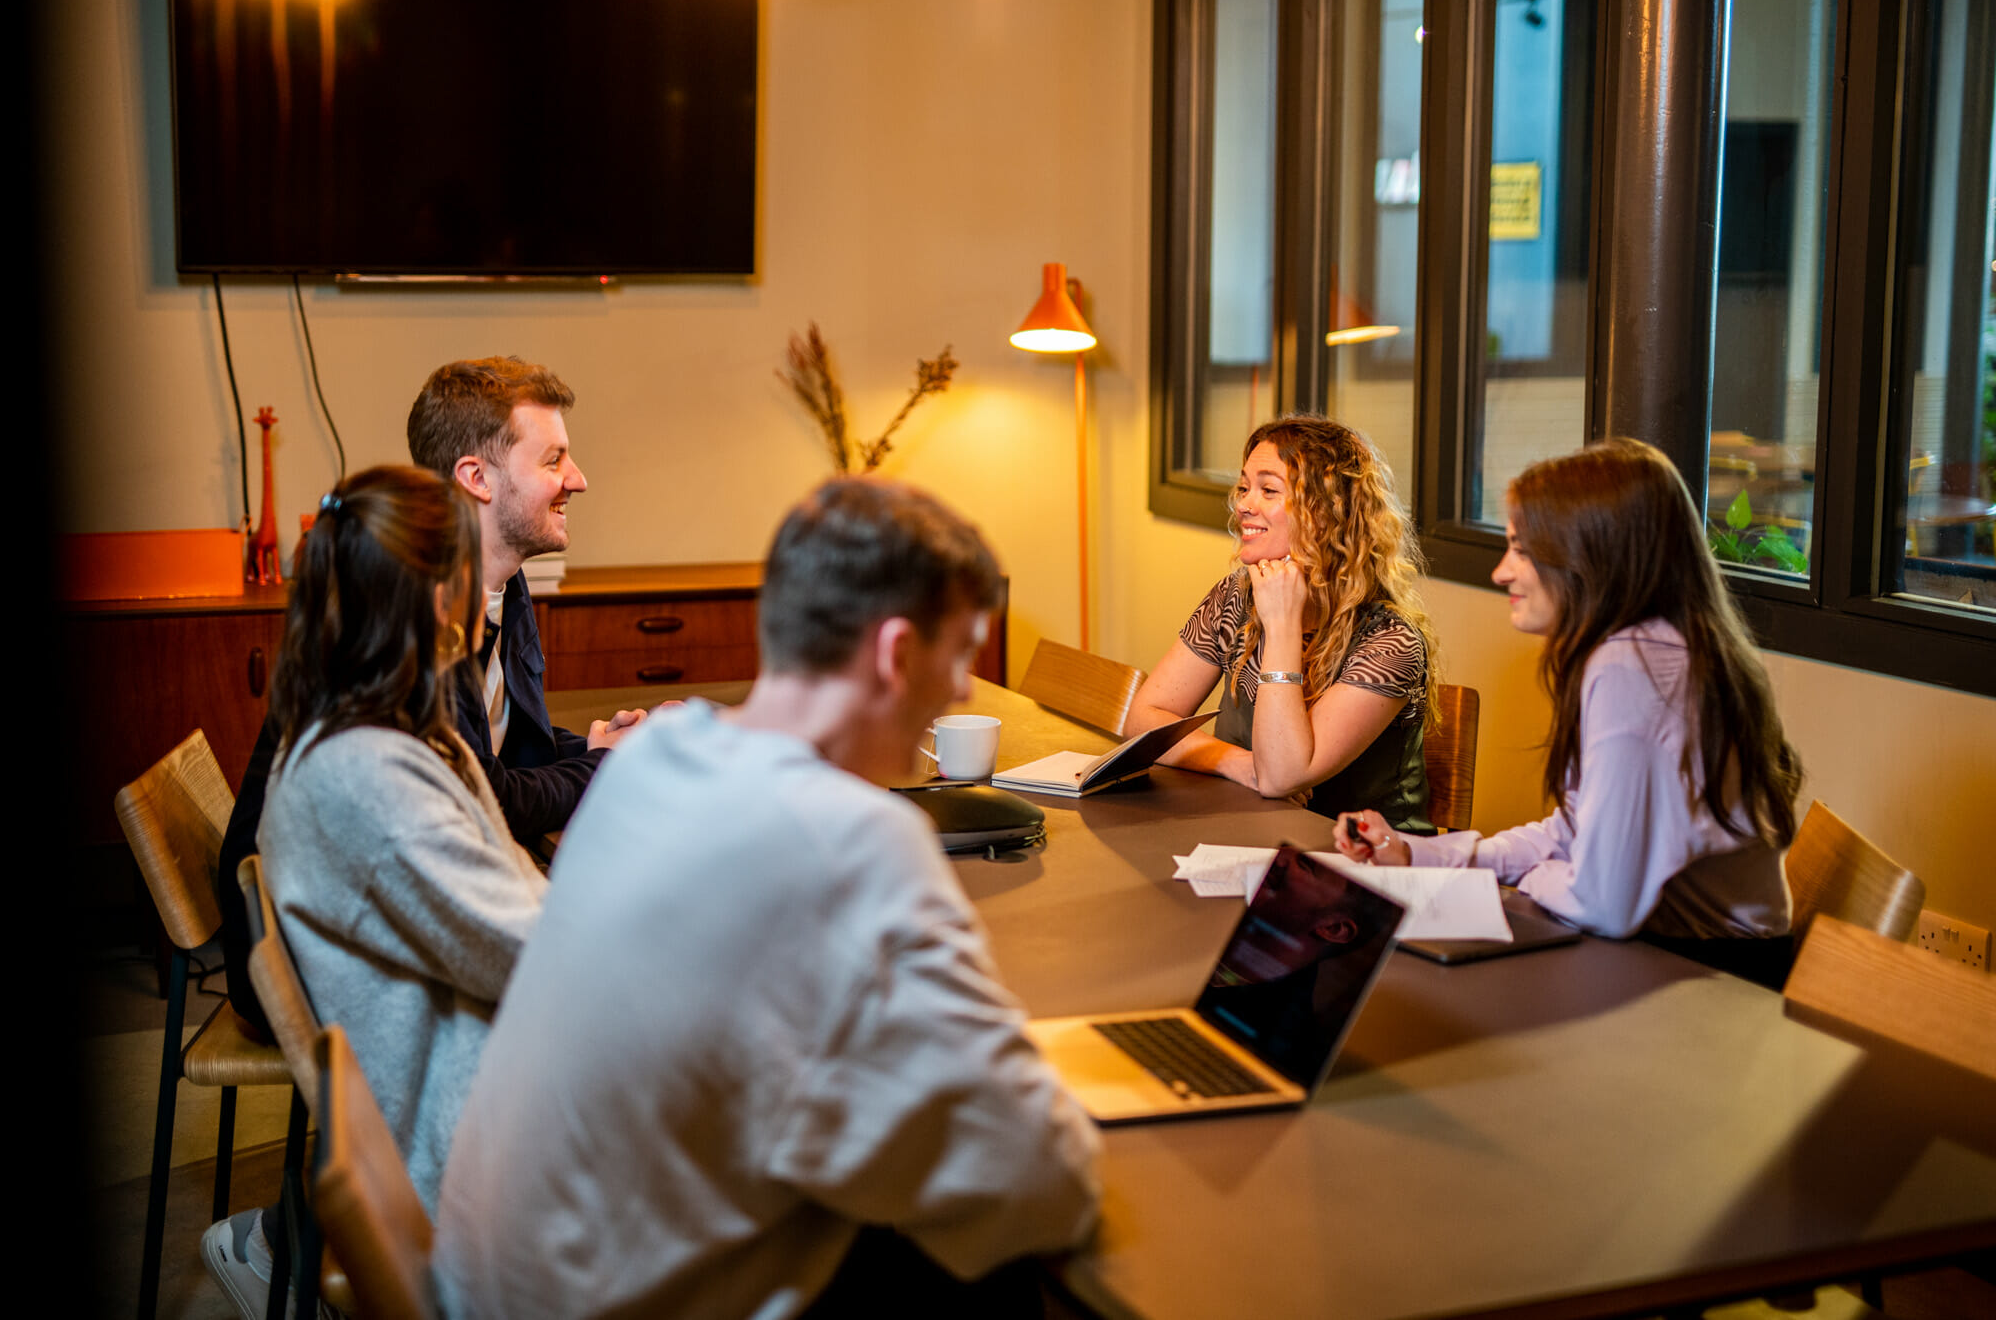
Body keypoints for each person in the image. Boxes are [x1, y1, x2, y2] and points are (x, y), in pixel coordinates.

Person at [435, 478, 1100, 1319]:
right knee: (995, 1271)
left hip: (501, 1279)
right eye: (959, 654)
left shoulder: (651, 758)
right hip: (602, 1299)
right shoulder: (856, 838)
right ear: (894, 652)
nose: (964, 690)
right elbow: (1043, 1180)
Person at [202, 466, 550, 1319]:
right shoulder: (363, 774)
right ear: (440, 598)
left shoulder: (402, 729)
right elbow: (542, 958)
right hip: (486, 1161)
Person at [215, 356, 643, 1037]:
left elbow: (492, 767)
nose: (578, 477)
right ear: (474, 478)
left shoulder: (478, 612)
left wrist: (603, 751)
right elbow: (480, 816)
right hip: (369, 989)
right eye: (554, 457)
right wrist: (601, 770)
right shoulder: (380, 728)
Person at [1334, 439, 1804, 986]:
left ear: (1588, 554)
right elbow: (1574, 829)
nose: (1501, 573)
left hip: (1706, 982)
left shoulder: (1634, 669)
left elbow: (1603, 903)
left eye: (1521, 550)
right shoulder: (1661, 647)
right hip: (1686, 957)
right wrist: (1421, 853)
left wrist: (1539, 876)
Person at [1125, 415, 1439, 831]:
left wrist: (1283, 626)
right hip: (1249, 833)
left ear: (1327, 513)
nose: (1243, 505)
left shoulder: (1390, 640)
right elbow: (1144, 720)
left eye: (1268, 490)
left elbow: (1282, 776)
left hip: (1362, 865)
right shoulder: (1235, 597)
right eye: (1244, 487)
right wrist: (1237, 764)